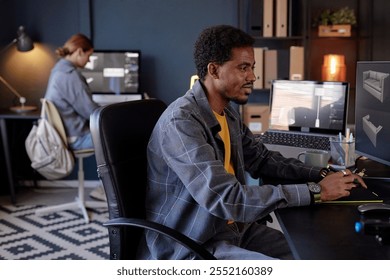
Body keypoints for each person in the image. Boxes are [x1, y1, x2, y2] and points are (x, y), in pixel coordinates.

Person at [137, 25, 366, 260]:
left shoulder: (227, 112)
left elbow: (262, 159)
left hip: (231, 228)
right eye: (243, 67)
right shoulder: (182, 122)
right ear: (214, 70)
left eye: (253, 67)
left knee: (314, 255)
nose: (253, 77)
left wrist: (321, 173)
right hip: (194, 243)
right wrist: (317, 191)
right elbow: (227, 198)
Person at [44, 33, 106, 201]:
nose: (89, 60)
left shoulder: (58, 70)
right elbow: (91, 112)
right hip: (75, 138)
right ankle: (107, 190)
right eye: (89, 55)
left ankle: (105, 188)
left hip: (66, 135)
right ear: (79, 51)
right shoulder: (70, 75)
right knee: (122, 137)